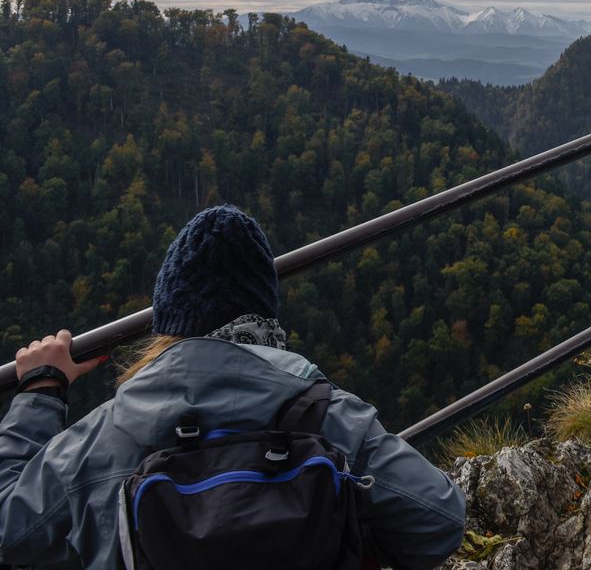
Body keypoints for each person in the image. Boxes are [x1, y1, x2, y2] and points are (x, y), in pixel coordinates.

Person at [0, 204, 465, 569]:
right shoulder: (328, 416)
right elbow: (440, 521)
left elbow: (8, 528)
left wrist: (42, 389)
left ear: (168, 321)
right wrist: (344, 529)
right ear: (265, 314)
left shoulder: (106, 437)